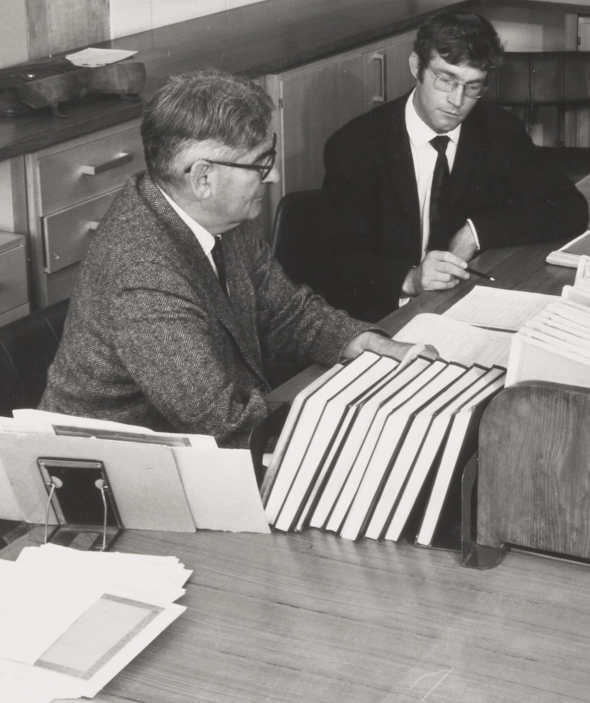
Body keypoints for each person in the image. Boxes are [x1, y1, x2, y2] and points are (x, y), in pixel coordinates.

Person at [40, 69, 421, 448]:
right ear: (203, 178)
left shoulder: (213, 213)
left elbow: (285, 312)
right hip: (114, 472)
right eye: (260, 164)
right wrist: (345, 419)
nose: (271, 178)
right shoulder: (143, 273)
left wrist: (364, 342)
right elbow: (220, 421)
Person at [296, 10, 590, 321]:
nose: (457, 100)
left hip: (464, 303)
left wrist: (476, 233)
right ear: (416, 67)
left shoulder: (498, 131)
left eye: (473, 86)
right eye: (446, 80)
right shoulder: (356, 145)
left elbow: (570, 208)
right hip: (386, 315)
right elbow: (333, 261)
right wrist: (409, 278)